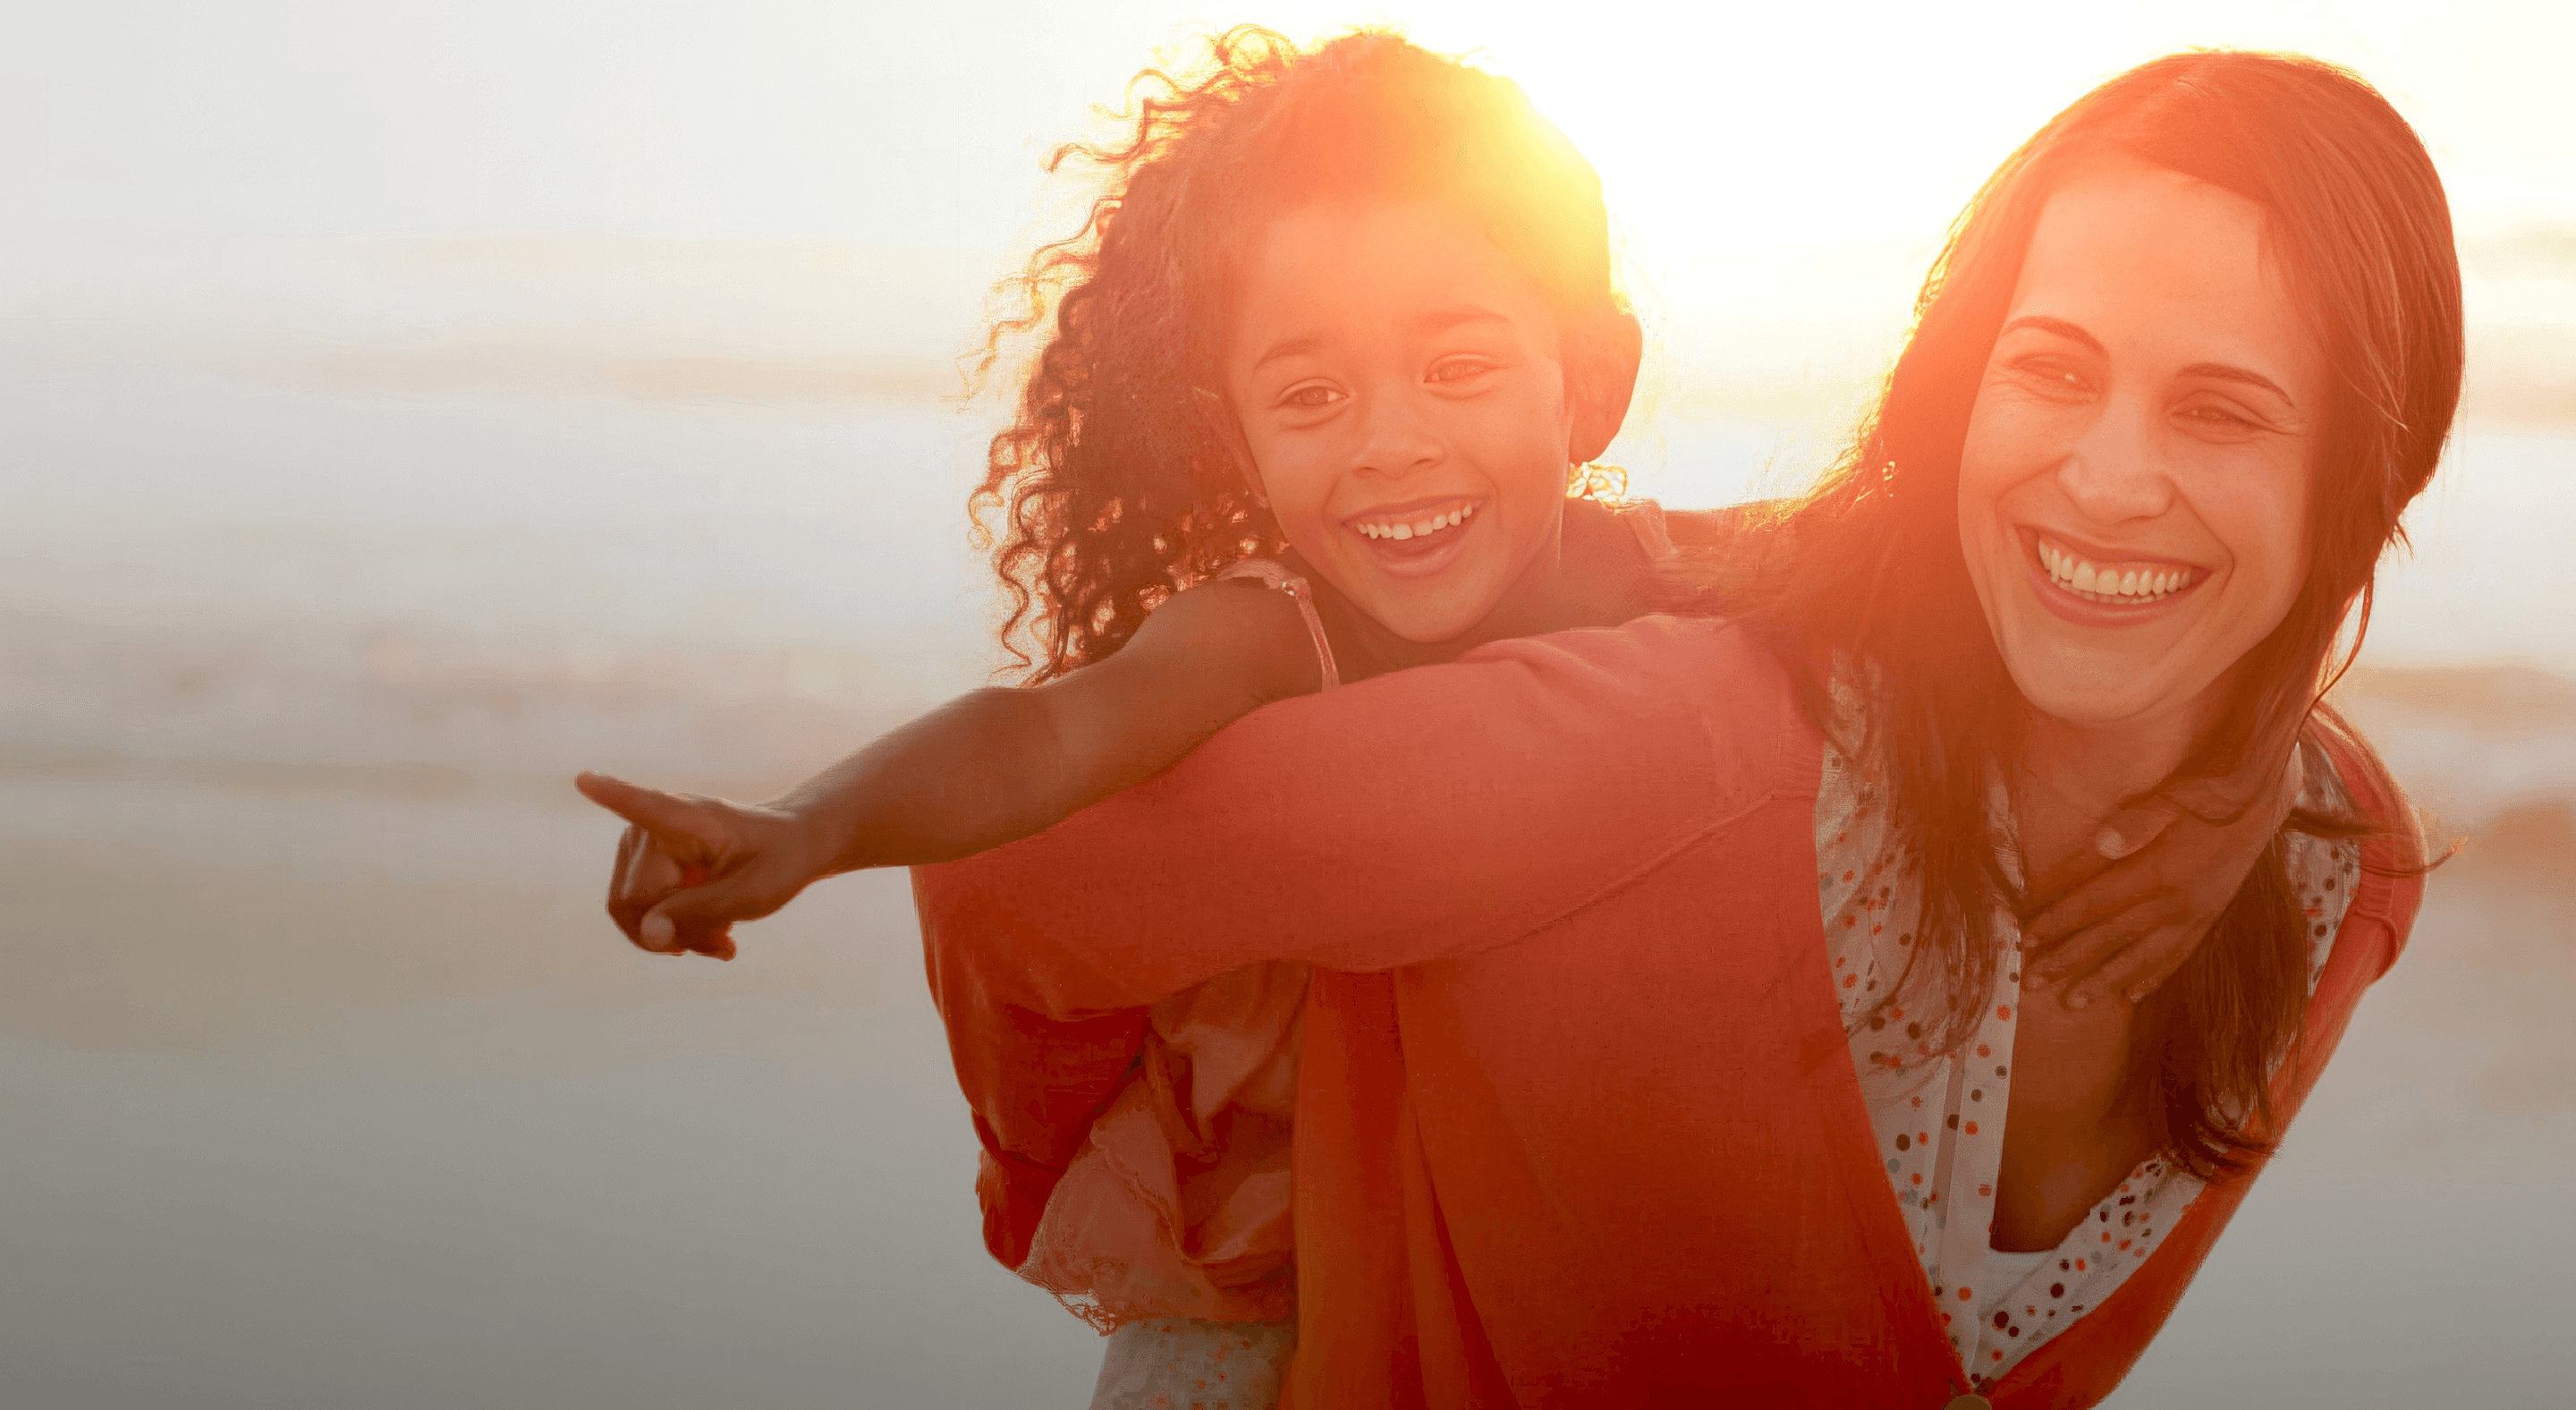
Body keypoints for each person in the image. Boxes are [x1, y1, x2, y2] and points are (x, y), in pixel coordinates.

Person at [574, 30, 2285, 1404]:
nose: (1390, 443)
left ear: (1591, 382)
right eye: (1311, 393)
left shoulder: (1682, 583)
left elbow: (1997, 598)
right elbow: (1049, 739)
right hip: (1272, 1277)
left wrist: (2254, 775)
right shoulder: (1267, 633)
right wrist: (807, 826)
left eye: (1458, 367)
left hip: (1527, 1224)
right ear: (1236, 432)